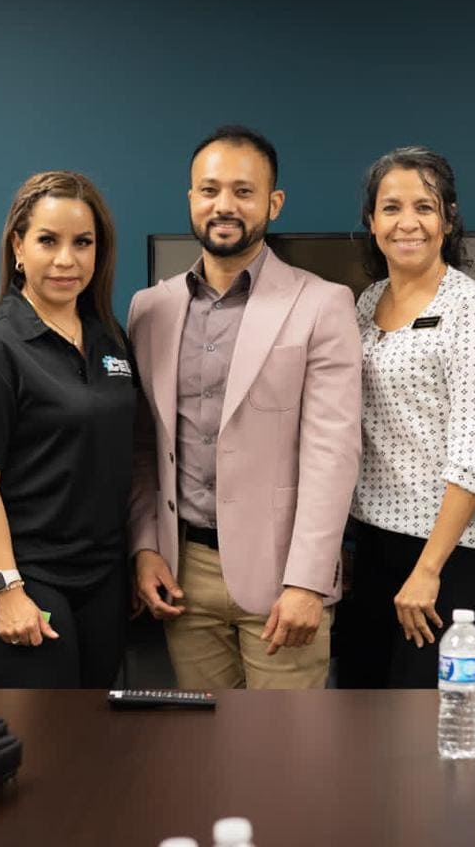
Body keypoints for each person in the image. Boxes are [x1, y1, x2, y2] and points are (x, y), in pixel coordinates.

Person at [129, 124, 362, 689]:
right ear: (190, 199)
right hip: (182, 575)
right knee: (206, 757)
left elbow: (333, 455)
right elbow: (142, 447)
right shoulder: (149, 309)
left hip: (283, 579)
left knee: (284, 764)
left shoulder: (323, 304)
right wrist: (144, 548)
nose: (224, 206)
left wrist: (308, 581)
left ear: (273, 204)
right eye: (209, 191)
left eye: (243, 191)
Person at [334, 146, 475, 689]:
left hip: (447, 553)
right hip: (374, 543)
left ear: (449, 219)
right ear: (371, 221)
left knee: (424, 725)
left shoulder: (473, 310)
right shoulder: (366, 304)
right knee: (363, 711)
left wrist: (429, 568)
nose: (406, 222)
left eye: (424, 207)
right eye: (391, 208)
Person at [0, 171, 136, 688]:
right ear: (17, 246)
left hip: (101, 577)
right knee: (48, 750)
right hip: (29, 578)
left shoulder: (109, 337)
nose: (66, 260)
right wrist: (7, 589)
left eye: (83, 243)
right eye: (48, 241)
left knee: (101, 739)